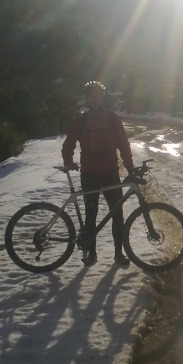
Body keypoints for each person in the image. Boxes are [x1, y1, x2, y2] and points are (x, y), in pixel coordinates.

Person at [62, 81, 134, 267]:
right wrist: (68, 162)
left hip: (110, 172)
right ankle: (91, 254)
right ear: (86, 98)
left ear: (102, 97)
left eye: (98, 96)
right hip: (90, 174)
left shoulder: (112, 118)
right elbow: (68, 144)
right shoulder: (81, 120)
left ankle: (119, 254)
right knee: (91, 215)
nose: (95, 99)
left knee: (117, 214)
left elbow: (124, 145)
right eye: (91, 96)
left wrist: (131, 167)